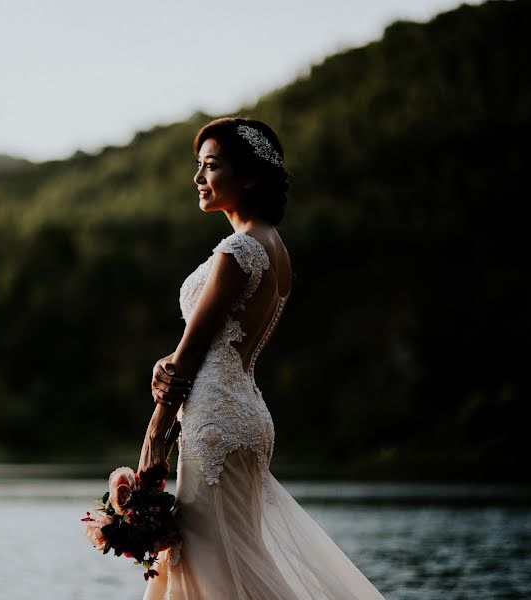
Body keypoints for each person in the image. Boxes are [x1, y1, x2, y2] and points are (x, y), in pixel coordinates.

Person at [137, 117, 385, 599]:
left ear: (249, 176)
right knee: (226, 556)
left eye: (210, 166)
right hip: (244, 413)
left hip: (214, 421)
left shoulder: (238, 250)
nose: (198, 178)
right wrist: (170, 357)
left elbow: (192, 357)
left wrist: (155, 438)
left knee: (214, 566)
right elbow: (219, 340)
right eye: (198, 166)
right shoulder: (276, 248)